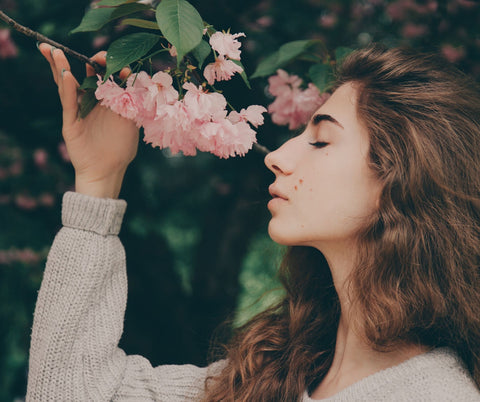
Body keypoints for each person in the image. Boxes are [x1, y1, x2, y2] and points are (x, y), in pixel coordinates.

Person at [27, 43, 480, 401]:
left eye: (321, 141)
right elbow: (71, 392)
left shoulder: (437, 395)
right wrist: (99, 181)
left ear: (401, 181)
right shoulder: (266, 375)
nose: (279, 158)